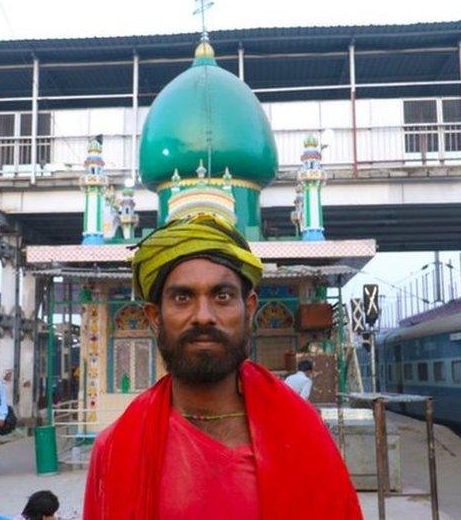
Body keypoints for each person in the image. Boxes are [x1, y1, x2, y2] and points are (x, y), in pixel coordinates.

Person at [83, 214, 361, 519]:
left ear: (250, 309)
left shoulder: (303, 437)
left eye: (223, 296)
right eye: (182, 297)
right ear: (154, 317)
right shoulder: (115, 451)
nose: (203, 315)